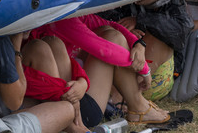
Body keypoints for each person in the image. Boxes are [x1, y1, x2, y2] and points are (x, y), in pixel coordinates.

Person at [30, 15, 171, 125]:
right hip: (76, 109)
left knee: (111, 33)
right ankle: (138, 105)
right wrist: (144, 69)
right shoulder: (62, 20)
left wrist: (138, 43)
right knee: (113, 38)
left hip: (77, 96)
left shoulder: (70, 15)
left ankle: (138, 104)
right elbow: (105, 50)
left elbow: (110, 25)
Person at [19, 35, 115, 133]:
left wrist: (82, 81)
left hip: (72, 104)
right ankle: (71, 126)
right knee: (37, 47)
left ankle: (76, 124)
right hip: (29, 101)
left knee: (54, 42)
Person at [100, 0, 194, 102]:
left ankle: (131, 98)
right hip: (116, 81)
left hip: (153, 81)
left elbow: (182, 30)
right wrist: (126, 34)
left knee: (158, 35)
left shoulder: (173, 4)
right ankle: (121, 96)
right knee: (112, 35)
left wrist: (140, 21)